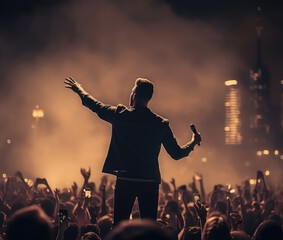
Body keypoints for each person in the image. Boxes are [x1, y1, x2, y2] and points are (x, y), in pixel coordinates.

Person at [64, 76, 201, 225]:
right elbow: (177, 153)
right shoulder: (160, 124)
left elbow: (95, 105)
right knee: (148, 229)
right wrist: (193, 141)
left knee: (119, 227)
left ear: (134, 96)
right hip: (149, 182)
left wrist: (79, 89)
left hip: (125, 180)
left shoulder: (121, 115)